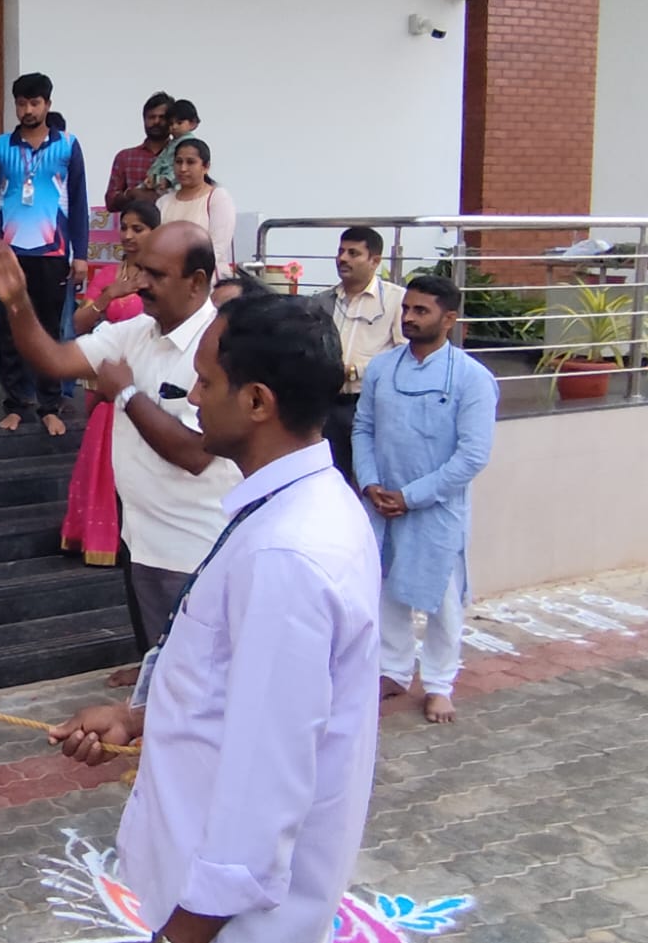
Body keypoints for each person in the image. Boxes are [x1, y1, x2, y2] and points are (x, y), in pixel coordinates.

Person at [50, 295, 381, 943]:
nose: (191, 396)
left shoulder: (288, 552)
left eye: (206, 381)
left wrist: (182, 934)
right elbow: (250, 694)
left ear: (258, 401)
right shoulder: (298, 503)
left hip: (233, 923)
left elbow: (267, 786)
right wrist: (141, 718)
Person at [0, 222, 240, 654]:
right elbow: (54, 359)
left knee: (196, 681)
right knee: (158, 668)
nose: (141, 284)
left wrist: (125, 393)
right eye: (140, 271)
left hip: (198, 549)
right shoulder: (133, 332)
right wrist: (18, 302)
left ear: (197, 282)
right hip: (141, 539)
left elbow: (195, 453)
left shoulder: (224, 344)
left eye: (156, 274)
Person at [354, 275, 498, 725]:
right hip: (382, 503)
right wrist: (371, 483)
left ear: (449, 319)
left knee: (443, 601)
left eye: (422, 311)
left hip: (435, 508)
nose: (410, 318)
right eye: (408, 309)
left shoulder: (473, 378)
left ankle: (439, 684)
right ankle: (393, 670)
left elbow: (473, 455)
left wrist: (411, 497)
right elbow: (363, 428)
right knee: (386, 592)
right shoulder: (382, 367)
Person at [0, 71, 89, 436]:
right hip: (8, 253)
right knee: (10, 331)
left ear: (48, 104)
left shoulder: (68, 146)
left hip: (53, 251)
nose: (27, 110)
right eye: (21, 103)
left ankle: (49, 405)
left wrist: (81, 254)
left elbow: (78, 202)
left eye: (35, 103)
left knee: (48, 329)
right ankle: (15, 404)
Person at [61, 201, 158, 568]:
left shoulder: (164, 278)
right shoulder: (107, 277)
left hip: (149, 383)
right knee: (102, 459)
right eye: (125, 228)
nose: (129, 236)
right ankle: (102, 538)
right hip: (105, 386)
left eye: (139, 229)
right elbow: (79, 324)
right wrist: (108, 297)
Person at [311, 227, 406, 486]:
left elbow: (403, 356)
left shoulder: (396, 300)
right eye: (341, 251)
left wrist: (356, 370)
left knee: (369, 479)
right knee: (330, 478)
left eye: (354, 253)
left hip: (368, 403)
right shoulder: (324, 300)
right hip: (327, 403)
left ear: (375, 261)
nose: (343, 259)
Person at [158, 137, 235, 280]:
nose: (183, 168)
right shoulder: (163, 202)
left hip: (207, 280)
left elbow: (217, 248)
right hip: (170, 281)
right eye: (178, 162)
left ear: (206, 167)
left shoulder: (217, 197)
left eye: (190, 162)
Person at [104, 91, 172, 211]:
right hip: (136, 226)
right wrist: (131, 195)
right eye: (151, 117)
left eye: (162, 117)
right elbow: (110, 202)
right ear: (144, 120)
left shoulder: (182, 156)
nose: (156, 121)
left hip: (174, 226)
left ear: (171, 120)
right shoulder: (125, 157)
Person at [138, 97, 201, 198]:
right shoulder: (172, 144)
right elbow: (160, 161)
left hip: (175, 186)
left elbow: (182, 167)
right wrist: (152, 176)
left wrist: (167, 180)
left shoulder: (190, 145)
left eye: (179, 123)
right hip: (160, 182)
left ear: (193, 124)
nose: (174, 127)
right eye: (171, 124)